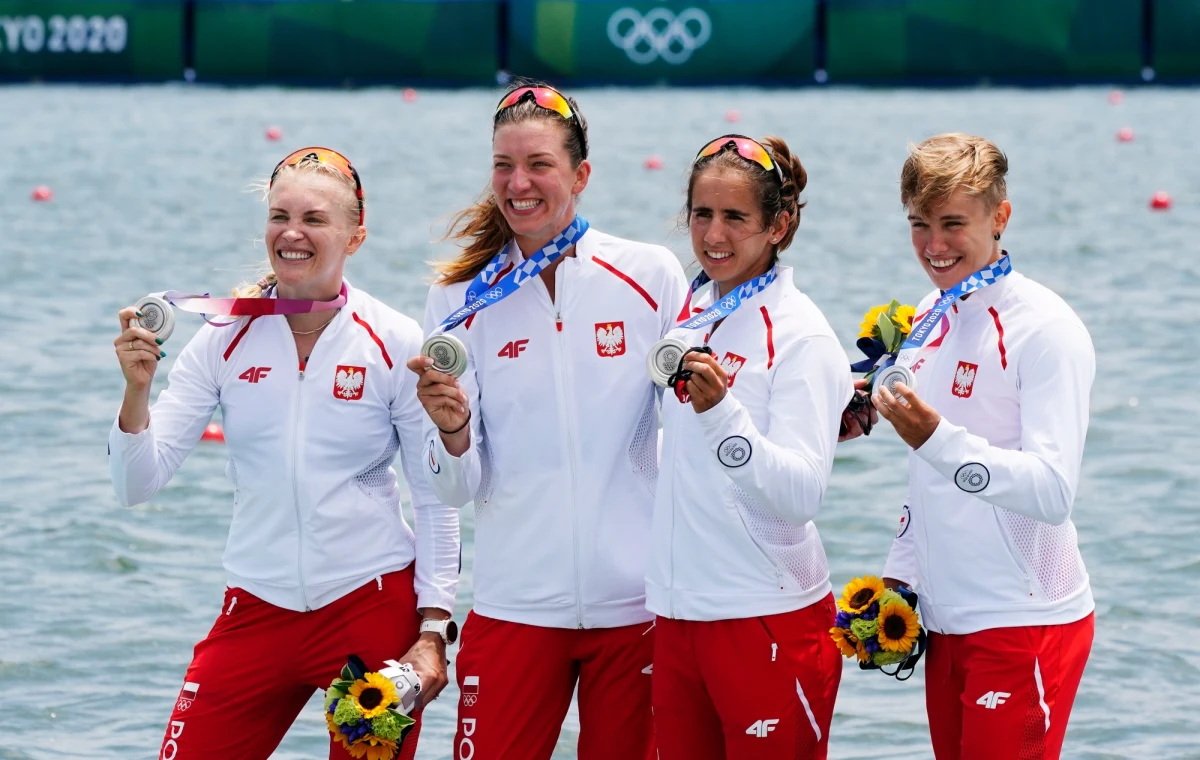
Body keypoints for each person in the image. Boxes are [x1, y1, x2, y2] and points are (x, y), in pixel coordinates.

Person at [109, 148, 460, 760]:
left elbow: (434, 500)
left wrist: (433, 630)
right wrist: (136, 390)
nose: (292, 233)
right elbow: (136, 484)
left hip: (367, 611)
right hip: (255, 611)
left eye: (314, 219)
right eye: (279, 216)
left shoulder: (394, 341)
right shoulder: (224, 337)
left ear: (356, 235)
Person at [406, 81, 687, 760]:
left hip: (637, 609)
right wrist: (451, 433)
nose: (517, 183)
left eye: (539, 165)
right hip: (514, 608)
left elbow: (691, 437)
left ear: (581, 175)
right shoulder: (456, 299)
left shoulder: (649, 275)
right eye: (503, 165)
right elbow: (452, 488)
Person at [869, 133, 1095, 759]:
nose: (933, 247)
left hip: (1025, 622)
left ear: (999, 217)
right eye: (918, 225)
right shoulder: (930, 315)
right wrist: (900, 576)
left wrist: (938, 439)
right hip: (946, 621)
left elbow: (1051, 492)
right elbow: (927, 479)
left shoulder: (1046, 330)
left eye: (951, 224)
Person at [645, 135, 852, 760]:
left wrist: (722, 415)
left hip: (768, 617)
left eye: (735, 217)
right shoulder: (690, 313)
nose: (713, 234)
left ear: (778, 225)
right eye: (702, 214)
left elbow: (800, 494)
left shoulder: (801, 333)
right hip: (678, 618)